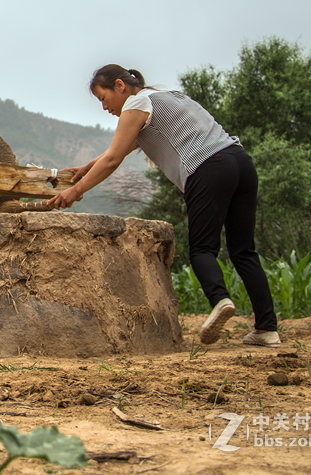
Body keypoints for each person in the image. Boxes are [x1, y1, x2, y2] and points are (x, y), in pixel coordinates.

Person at [46, 64, 279, 347]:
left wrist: (74, 191)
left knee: (202, 250)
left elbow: (113, 159)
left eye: (103, 98)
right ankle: (267, 329)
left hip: (207, 168)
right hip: (240, 162)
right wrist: (86, 166)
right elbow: (119, 148)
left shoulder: (137, 102)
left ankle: (220, 300)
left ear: (119, 86)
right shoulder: (165, 94)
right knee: (244, 250)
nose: (104, 107)